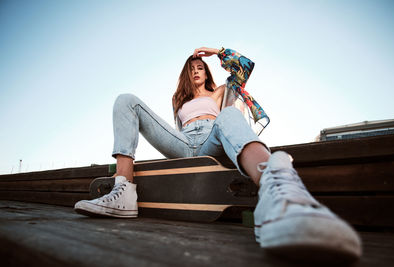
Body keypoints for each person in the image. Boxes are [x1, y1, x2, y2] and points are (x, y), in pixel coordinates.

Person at [74, 47, 361, 260]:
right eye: (192, 67)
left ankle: (275, 190)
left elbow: (245, 67)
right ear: (186, 74)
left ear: (207, 71)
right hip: (183, 142)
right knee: (126, 100)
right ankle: (123, 190)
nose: (197, 69)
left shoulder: (222, 90)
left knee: (227, 116)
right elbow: (176, 128)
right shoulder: (179, 100)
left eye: (200, 66)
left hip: (214, 136)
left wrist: (216, 51)